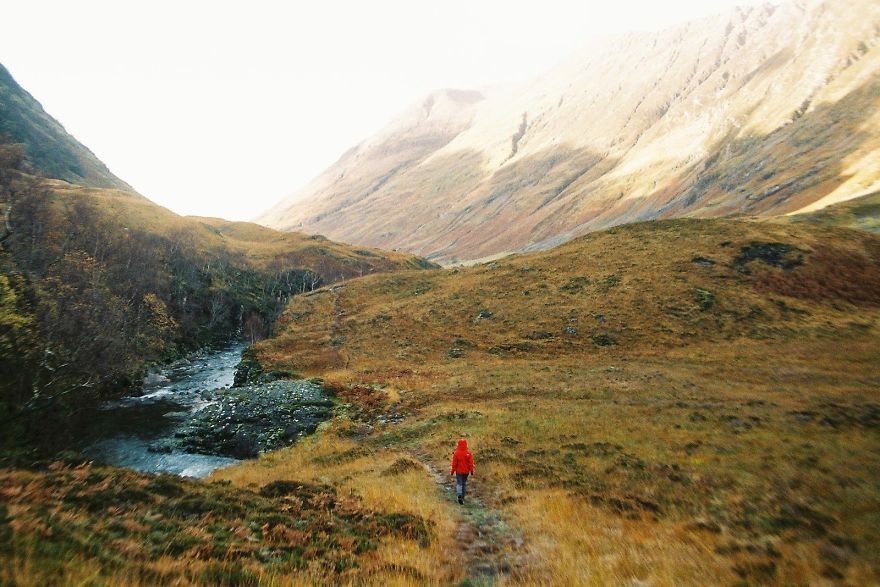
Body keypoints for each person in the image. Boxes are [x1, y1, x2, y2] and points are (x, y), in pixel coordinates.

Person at [450, 438, 475, 504]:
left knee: (459, 483)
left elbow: (454, 464)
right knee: (464, 484)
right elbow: (471, 463)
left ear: (458, 444)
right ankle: (463, 498)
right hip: (466, 472)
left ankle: (459, 496)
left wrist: (452, 471)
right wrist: (471, 471)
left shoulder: (456, 453)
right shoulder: (468, 453)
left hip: (459, 472)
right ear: (466, 444)